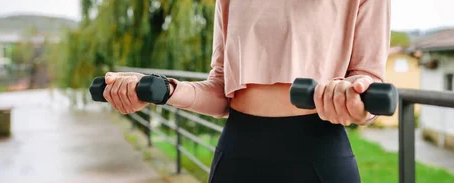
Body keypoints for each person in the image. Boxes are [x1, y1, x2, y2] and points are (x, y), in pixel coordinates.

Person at [102, 0, 389, 182]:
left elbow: (368, 79)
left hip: (319, 157)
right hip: (237, 157)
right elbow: (220, 90)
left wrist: (354, 95)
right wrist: (162, 90)